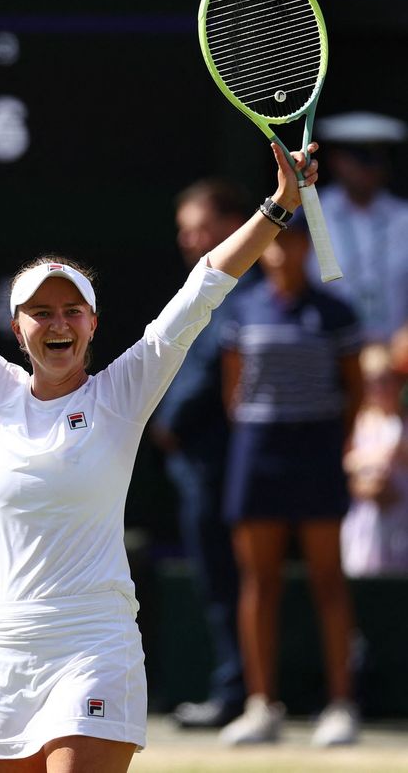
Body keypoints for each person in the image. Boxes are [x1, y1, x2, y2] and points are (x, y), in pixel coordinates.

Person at [0, 109, 319, 772]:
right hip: (7, 654)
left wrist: (277, 208)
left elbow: (203, 291)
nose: (58, 323)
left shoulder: (121, 392)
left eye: (71, 310)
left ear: (92, 324)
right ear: (17, 328)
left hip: (96, 648)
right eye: (41, 312)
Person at [217, 208, 365, 748]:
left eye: (292, 241)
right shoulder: (244, 308)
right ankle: (261, 706)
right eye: (275, 242)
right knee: (259, 583)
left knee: (329, 582)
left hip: (317, 452)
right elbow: (234, 391)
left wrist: (332, 441)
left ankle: (342, 705)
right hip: (257, 455)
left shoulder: (335, 312)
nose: (281, 250)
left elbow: (354, 392)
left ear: (307, 247)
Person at [148, 179, 256, 728]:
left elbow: (216, 370)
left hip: (232, 464)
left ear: (232, 223)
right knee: (221, 580)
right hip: (204, 464)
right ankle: (239, 689)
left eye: (200, 226)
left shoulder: (244, 288)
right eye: (184, 229)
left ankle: (241, 693)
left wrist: (169, 421)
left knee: (235, 580)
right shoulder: (207, 287)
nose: (189, 239)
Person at [304, 111, 408, 342]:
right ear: (336, 160)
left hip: (395, 359)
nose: (368, 169)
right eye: (359, 158)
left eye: (377, 159)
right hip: (327, 351)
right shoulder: (311, 212)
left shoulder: (404, 217)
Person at [341, 342, 408, 575]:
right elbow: (346, 464)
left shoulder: (403, 425)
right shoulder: (356, 425)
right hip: (366, 527)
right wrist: (364, 481)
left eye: (386, 380)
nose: (380, 389)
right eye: (371, 382)